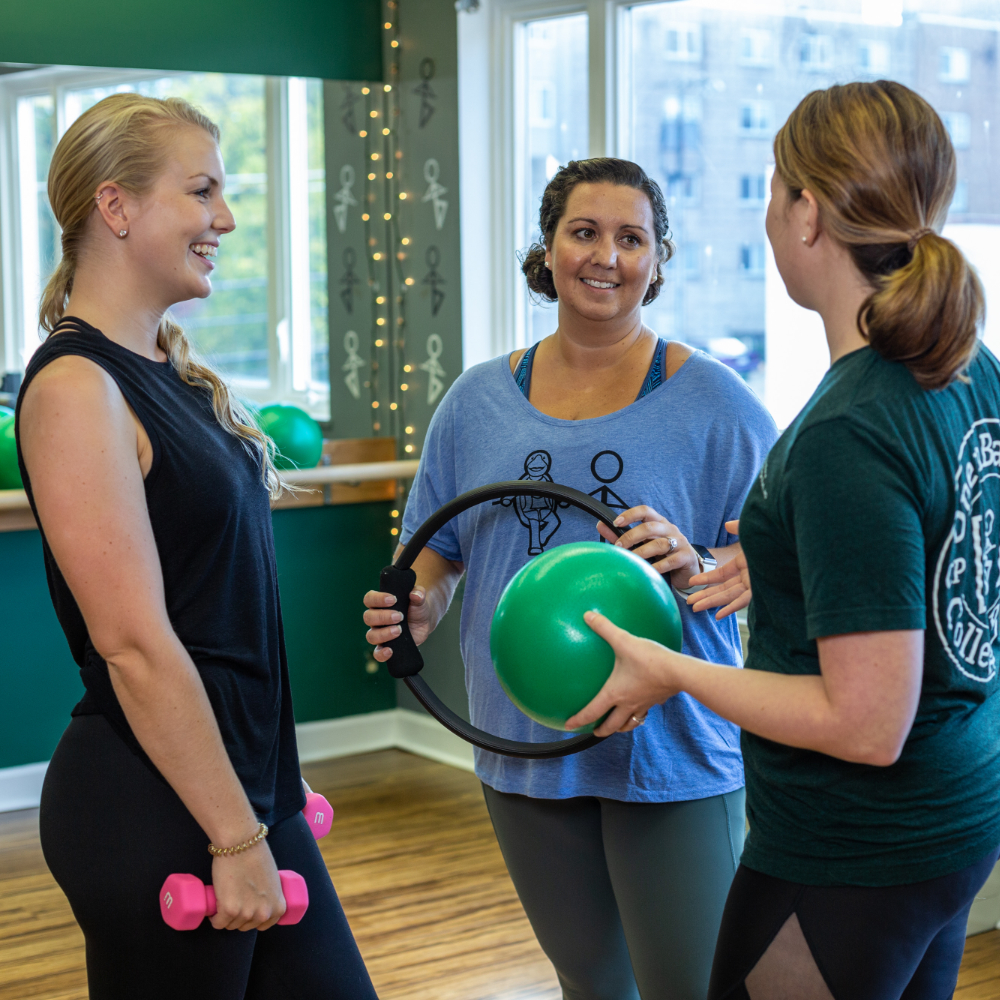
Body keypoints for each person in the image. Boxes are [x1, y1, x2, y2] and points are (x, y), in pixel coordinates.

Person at [567, 82, 1000, 1000]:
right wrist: (802, 558)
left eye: (773, 188)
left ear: (806, 212)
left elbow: (867, 724)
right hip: (959, 813)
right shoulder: (964, 366)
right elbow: (957, 542)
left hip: (852, 847)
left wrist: (671, 669)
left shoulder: (853, 424)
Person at [364, 157, 777, 1000]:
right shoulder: (475, 402)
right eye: (584, 232)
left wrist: (697, 562)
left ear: (658, 260)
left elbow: (779, 568)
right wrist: (419, 609)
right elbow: (438, 557)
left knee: (690, 986)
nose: (606, 256)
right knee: (588, 980)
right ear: (548, 250)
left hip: (673, 749)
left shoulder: (717, 403)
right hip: (525, 744)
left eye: (632, 238)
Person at [16, 94, 376, 1000]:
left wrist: (259, 816)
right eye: (203, 190)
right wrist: (235, 839)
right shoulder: (74, 388)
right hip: (159, 799)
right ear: (117, 207)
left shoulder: (166, 374)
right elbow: (135, 644)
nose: (225, 219)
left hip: (243, 788)